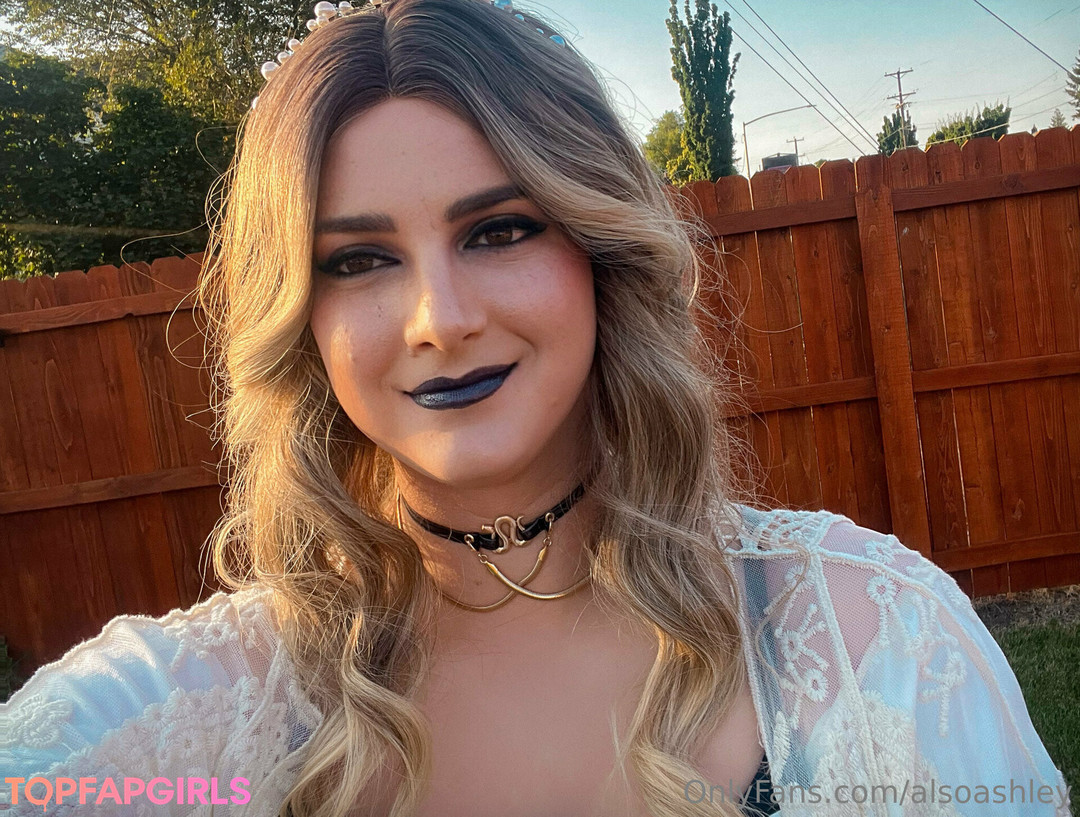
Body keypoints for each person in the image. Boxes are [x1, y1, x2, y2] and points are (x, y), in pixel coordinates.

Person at [0, 0, 1071, 815]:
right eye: (359, 259)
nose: (440, 318)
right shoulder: (183, 720)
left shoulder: (874, 637)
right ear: (300, 318)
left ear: (601, 253)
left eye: (499, 230)